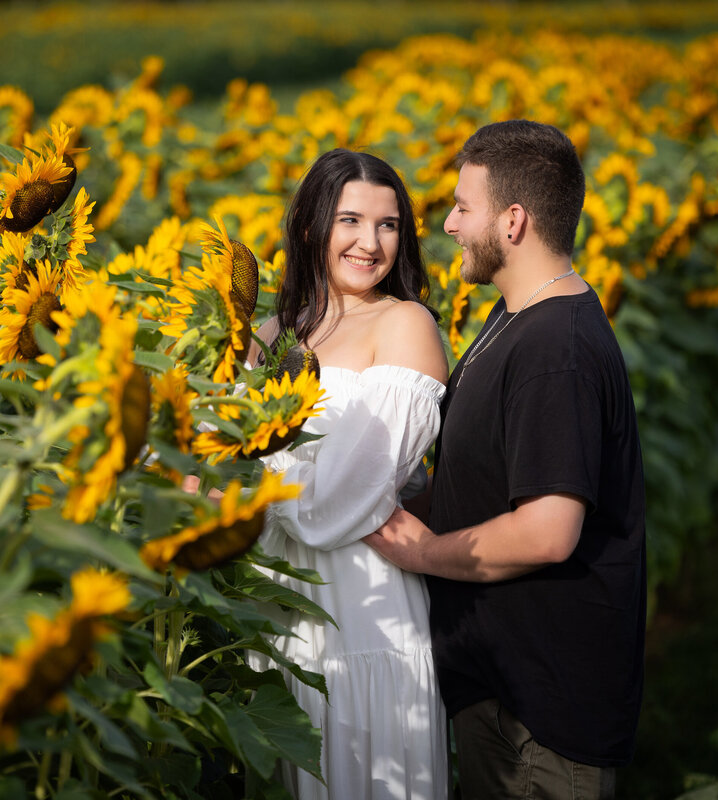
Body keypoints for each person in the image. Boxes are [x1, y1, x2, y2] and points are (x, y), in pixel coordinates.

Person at [364, 120, 646, 799]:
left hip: (543, 715)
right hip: (504, 684)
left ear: (513, 221)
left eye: (464, 206)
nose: (450, 224)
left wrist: (420, 551)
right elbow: (482, 477)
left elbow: (548, 532)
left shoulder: (556, 350)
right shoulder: (517, 317)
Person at [246, 148, 451, 800]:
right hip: (278, 610)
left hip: (364, 615)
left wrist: (240, 491)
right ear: (310, 227)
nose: (370, 243)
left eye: (388, 225)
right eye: (351, 221)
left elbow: (342, 496)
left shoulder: (405, 324)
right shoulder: (270, 334)